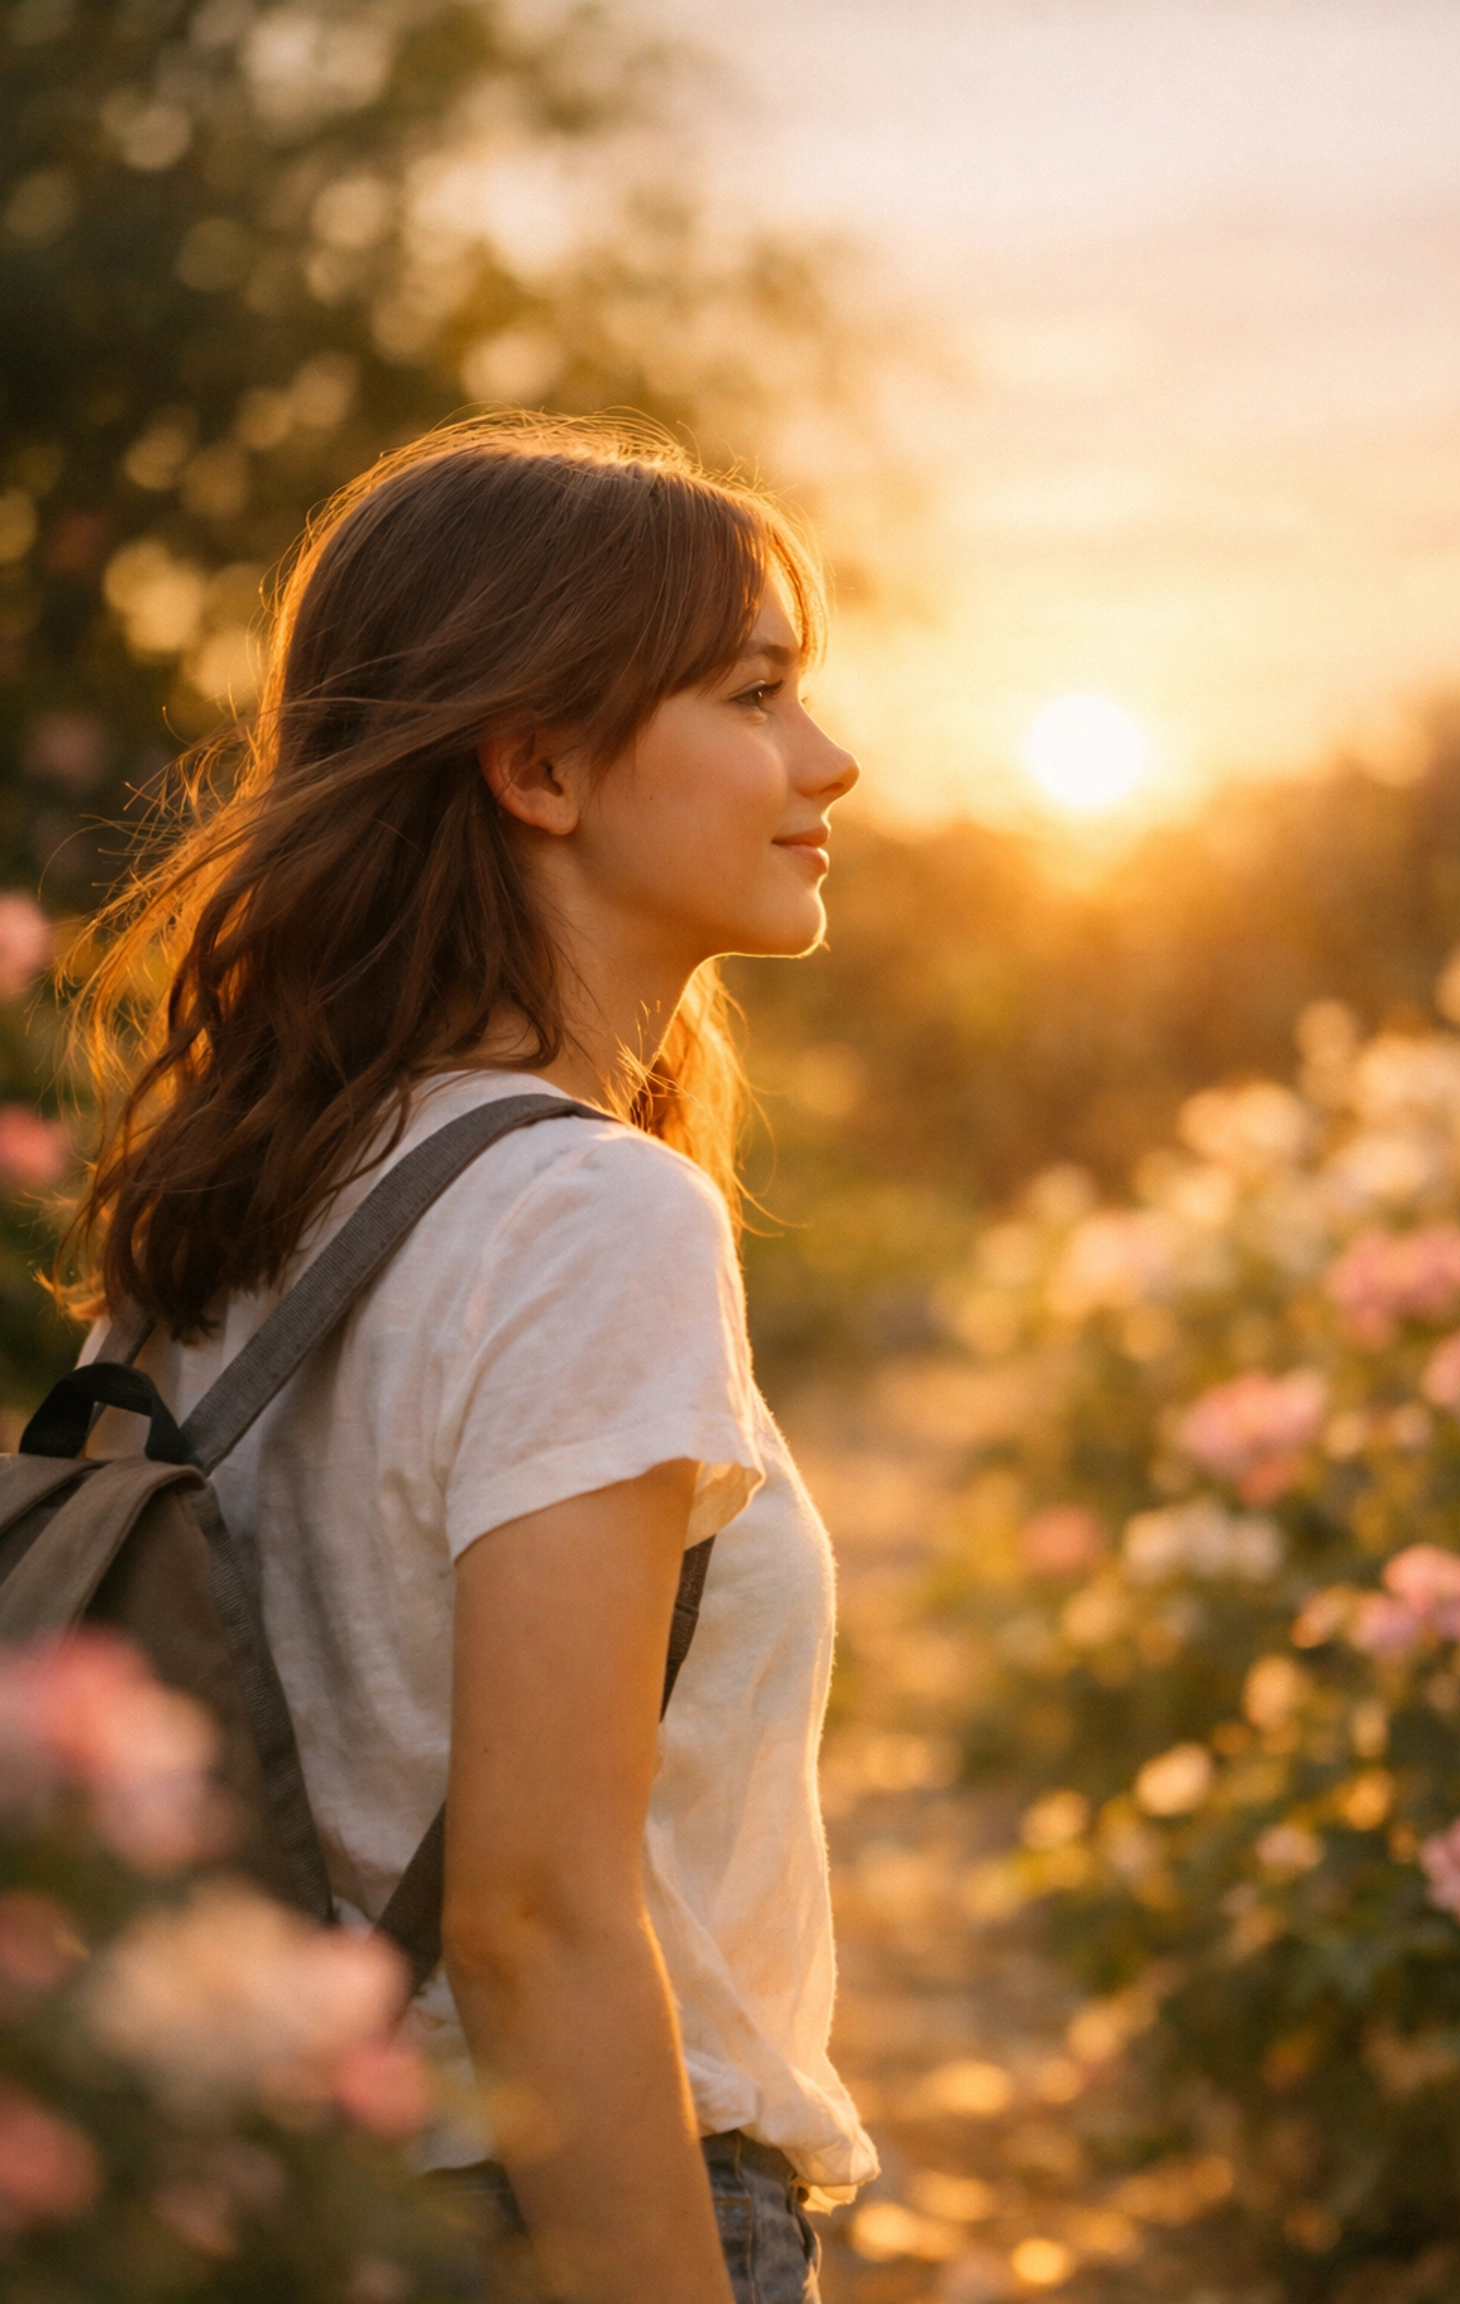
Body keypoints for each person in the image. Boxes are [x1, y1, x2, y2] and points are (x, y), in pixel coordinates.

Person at [61, 416, 876, 2302]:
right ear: (538, 764)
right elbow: (532, 1919)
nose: (829, 758)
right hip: (565, 2207)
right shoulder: (591, 1216)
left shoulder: (253, 1186)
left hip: (272, 2206)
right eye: (756, 695)